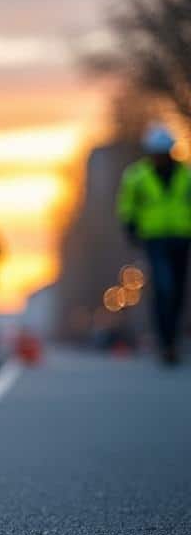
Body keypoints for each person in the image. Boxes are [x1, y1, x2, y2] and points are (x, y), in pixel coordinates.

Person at [118, 125, 190, 365]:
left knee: (178, 290)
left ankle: (173, 339)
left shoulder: (186, 175)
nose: (159, 158)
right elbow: (128, 205)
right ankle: (165, 341)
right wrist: (130, 226)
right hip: (154, 238)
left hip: (182, 237)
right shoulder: (136, 176)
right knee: (164, 287)